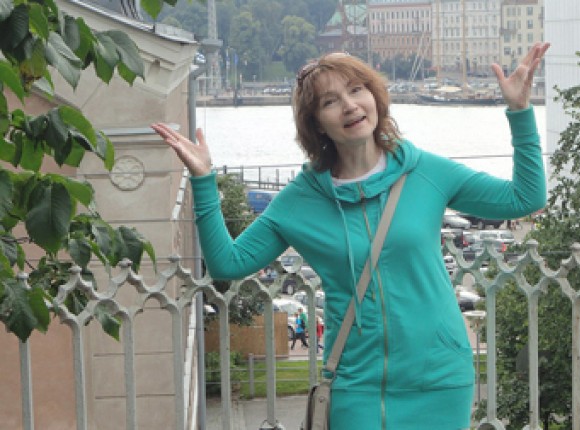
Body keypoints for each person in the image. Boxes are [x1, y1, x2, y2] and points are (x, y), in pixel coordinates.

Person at [152, 41, 549, 429]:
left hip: (440, 379)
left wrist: (519, 111)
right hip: (357, 386)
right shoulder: (300, 200)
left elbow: (525, 197)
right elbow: (228, 263)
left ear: (374, 96)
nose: (349, 105)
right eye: (330, 101)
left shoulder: (426, 172)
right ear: (315, 123)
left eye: (357, 90)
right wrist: (203, 179)